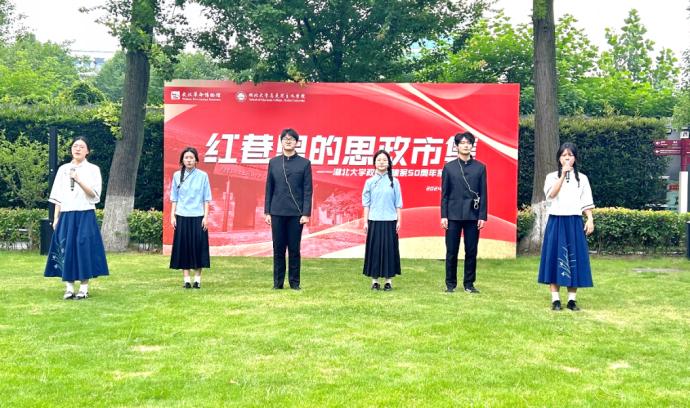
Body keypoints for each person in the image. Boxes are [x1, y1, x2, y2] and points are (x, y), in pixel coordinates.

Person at [44, 137, 108, 300]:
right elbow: (58, 196)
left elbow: (94, 195)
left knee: (83, 247)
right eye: (75, 146)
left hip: (85, 213)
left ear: (88, 151)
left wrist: (79, 180)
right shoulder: (63, 169)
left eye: (81, 146)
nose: (77, 149)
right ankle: (69, 288)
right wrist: (56, 218)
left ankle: (84, 288)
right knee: (66, 248)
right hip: (66, 214)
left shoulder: (93, 169)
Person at [538, 142, 595, 311]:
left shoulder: (582, 178)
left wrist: (590, 219)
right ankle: (555, 299)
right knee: (554, 257)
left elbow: (586, 201)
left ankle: (572, 300)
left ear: (575, 158)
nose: (567, 158)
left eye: (570, 155)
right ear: (559, 158)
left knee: (574, 257)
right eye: (564, 155)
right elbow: (551, 195)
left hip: (574, 221)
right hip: (556, 221)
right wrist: (562, 175)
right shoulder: (551, 177)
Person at [264, 128, 313, 290]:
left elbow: (307, 190)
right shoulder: (274, 162)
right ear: (281, 142)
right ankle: (277, 284)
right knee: (278, 249)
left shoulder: (304, 163)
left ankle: (294, 283)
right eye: (285, 139)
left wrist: (306, 213)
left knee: (294, 249)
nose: (288, 141)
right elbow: (269, 188)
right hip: (277, 212)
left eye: (291, 139)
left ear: (296, 142)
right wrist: (267, 211)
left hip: (296, 214)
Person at [441, 131, 488, 293]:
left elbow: (483, 193)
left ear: (472, 146)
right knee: (451, 251)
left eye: (468, 143)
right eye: (462, 143)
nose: (465, 146)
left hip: (473, 215)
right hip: (452, 215)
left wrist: (482, 216)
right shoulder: (449, 167)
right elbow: (444, 194)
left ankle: (469, 284)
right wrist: (444, 215)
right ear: (456, 146)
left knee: (471, 251)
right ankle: (450, 284)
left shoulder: (480, 167)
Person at [169, 147, 212, 289]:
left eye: (191, 158)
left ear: (196, 160)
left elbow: (206, 199)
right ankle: (186, 280)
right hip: (182, 215)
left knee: (199, 247)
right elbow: (174, 198)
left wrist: (206, 217)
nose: (189, 160)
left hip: (198, 216)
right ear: (182, 160)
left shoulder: (203, 176)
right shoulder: (177, 175)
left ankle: (197, 280)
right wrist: (172, 215)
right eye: (186, 158)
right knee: (184, 248)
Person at [362, 150, 403, 291]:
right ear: (374, 163)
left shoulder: (394, 182)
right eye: (379, 160)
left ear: (389, 163)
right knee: (375, 251)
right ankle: (374, 281)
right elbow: (366, 204)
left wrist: (399, 220)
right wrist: (365, 222)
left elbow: (398, 203)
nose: (381, 162)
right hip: (374, 220)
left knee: (389, 251)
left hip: (390, 220)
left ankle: (388, 281)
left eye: (384, 160)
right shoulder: (369, 182)